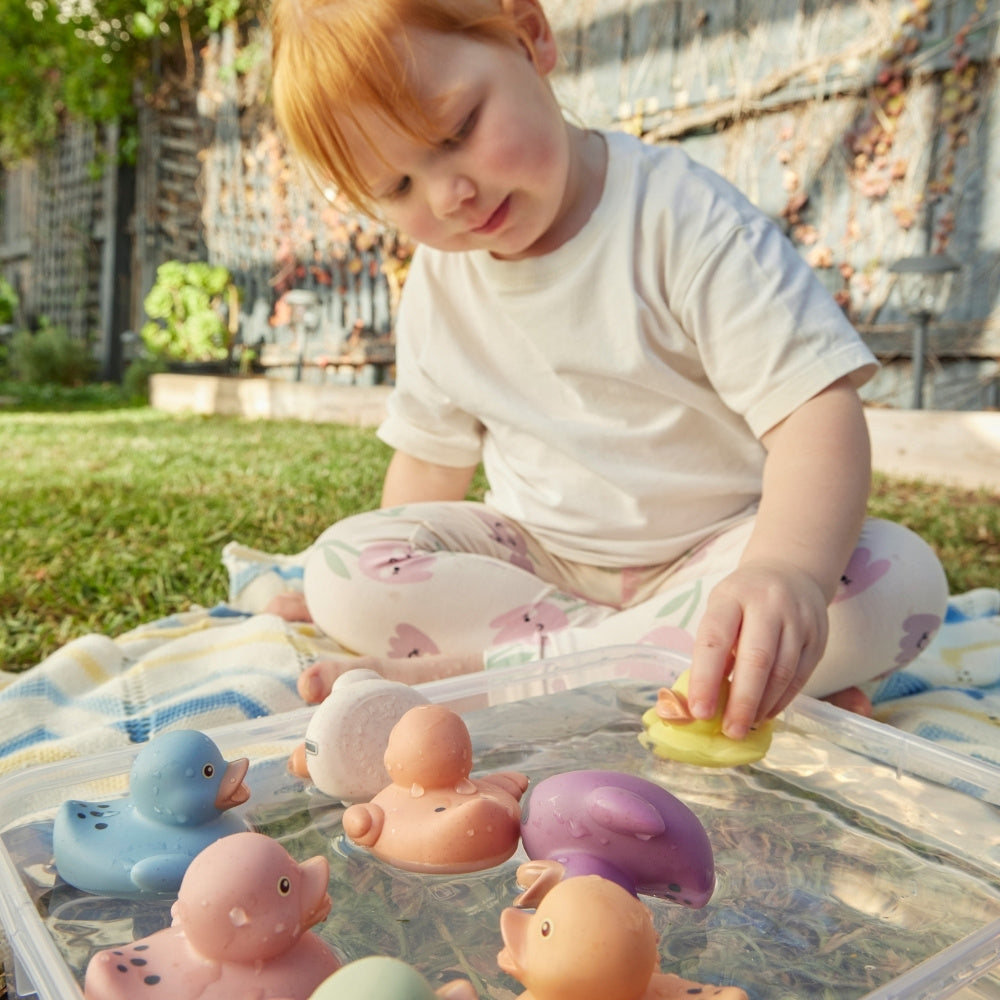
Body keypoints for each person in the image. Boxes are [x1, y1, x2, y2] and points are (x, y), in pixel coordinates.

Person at [267, 0, 948, 741]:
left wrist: (785, 571)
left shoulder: (683, 219)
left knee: (896, 577)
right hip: (541, 565)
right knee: (338, 568)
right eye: (397, 188)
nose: (447, 196)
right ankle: (696, 678)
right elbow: (430, 463)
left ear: (531, 38)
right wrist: (374, 594)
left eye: (458, 131)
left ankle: (484, 679)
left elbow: (815, 412)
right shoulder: (440, 281)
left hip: (716, 555)